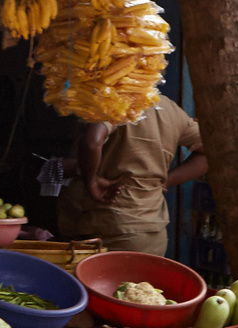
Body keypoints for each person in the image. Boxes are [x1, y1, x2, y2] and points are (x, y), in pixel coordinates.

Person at [55, 98, 207, 255]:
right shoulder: (171, 110)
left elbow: (92, 141)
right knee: (140, 280)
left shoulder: (114, 100)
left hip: (105, 225)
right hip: (150, 231)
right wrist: (166, 180)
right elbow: (210, 151)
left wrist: (91, 180)